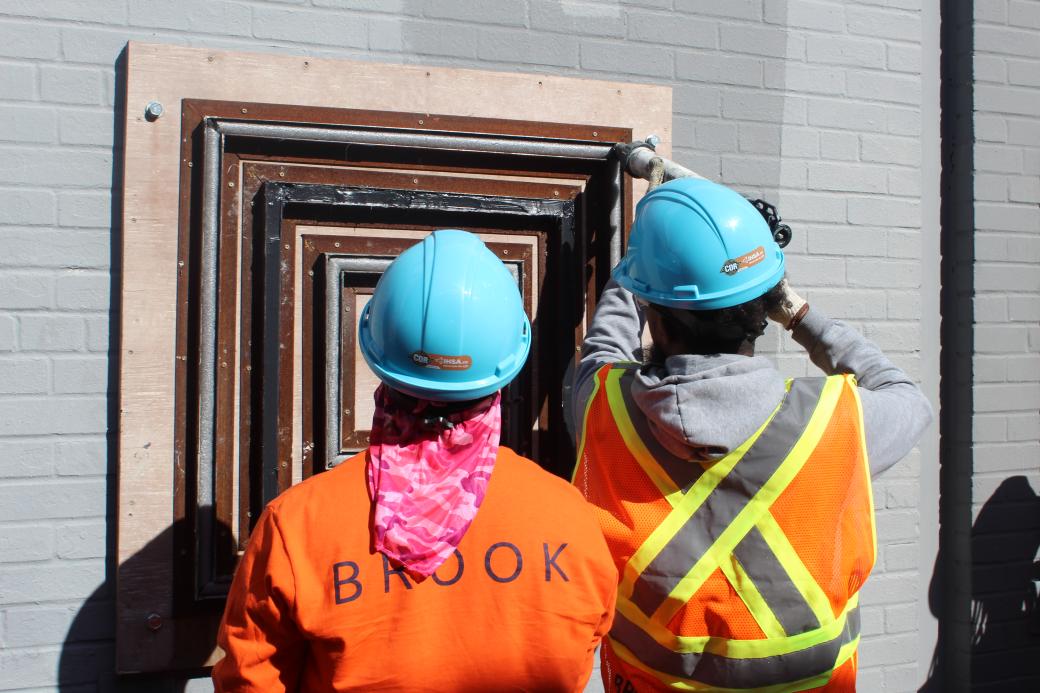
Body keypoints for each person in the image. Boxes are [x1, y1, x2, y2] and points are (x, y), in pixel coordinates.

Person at [214, 229, 617, 692]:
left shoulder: (297, 525)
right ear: (507, 367)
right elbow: (587, 644)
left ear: (377, 356)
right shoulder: (569, 515)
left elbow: (250, 681)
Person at [571, 178, 933, 692]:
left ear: (655, 316)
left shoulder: (600, 406)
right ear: (762, 313)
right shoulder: (838, 420)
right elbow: (907, 396)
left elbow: (605, 342)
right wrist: (798, 313)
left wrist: (650, 253)